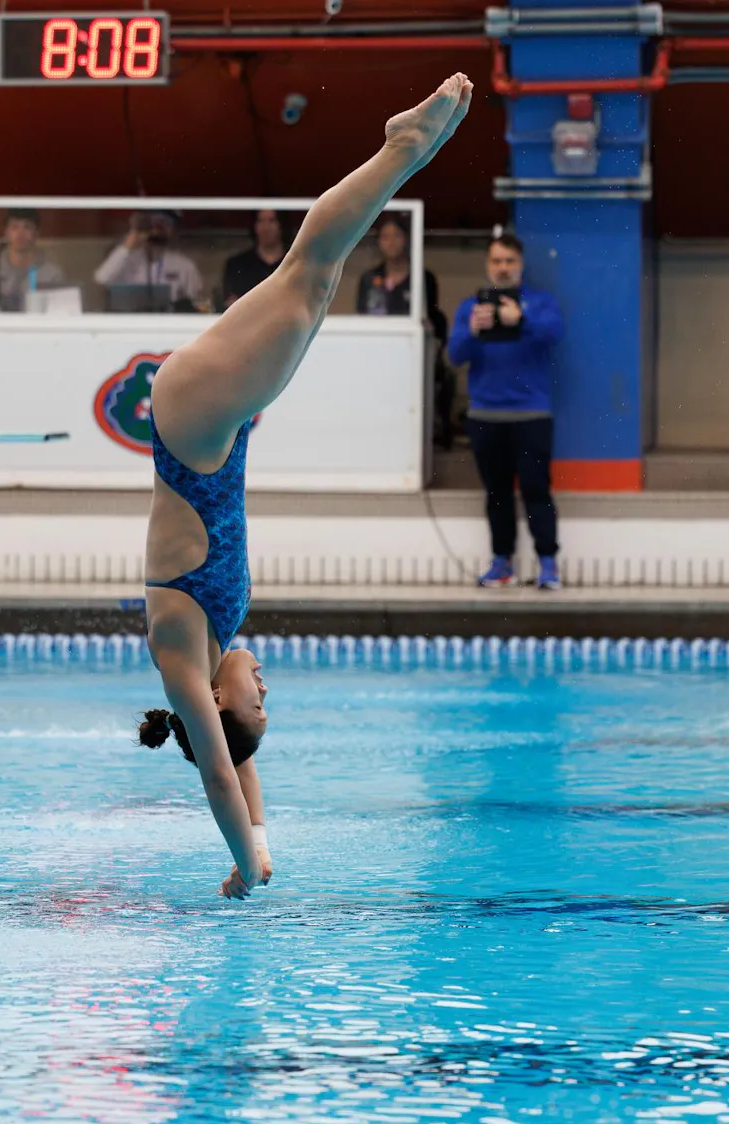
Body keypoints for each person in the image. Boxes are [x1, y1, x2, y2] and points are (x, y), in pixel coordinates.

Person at [138, 73, 473, 900]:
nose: (266, 689)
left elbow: (219, 770)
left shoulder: (181, 651)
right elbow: (241, 763)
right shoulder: (213, 651)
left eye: (258, 703)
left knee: (308, 272)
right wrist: (256, 837)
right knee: (314, 284)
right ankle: (401, 155)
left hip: (192, 424)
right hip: (220, 429)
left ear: (218, 701)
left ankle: (402, 146)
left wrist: (247, 865)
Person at [446, 233, 565, 591]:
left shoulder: (540, 303)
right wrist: (473, 332)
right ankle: (502, 563)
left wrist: (521, 321)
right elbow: (454, 356)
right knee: (496, 493)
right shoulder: (471, 308)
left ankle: (548, 564)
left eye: (509, 261)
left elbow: (555, 332)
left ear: (521, 264)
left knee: (535, 489)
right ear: (488, 264)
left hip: (530, 415)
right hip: (486, 416)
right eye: (497, 261)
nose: (503, 268)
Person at [354, 213, 454, 447]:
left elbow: (430, 319)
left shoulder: (423, 278)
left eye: (396, 235)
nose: (390, 242)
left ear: (407, 239)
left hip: (411, 355)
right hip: (377, 354)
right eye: (385, 236)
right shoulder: (369, 278)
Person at [94, 210, 203, 311]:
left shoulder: (184, 265)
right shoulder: (126, 260)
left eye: (166, 223)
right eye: (153, 222)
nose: (158, 228)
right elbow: (101, 279)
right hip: (130, 323)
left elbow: (195, 302)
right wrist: (129, 243)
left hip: (168, 325)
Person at [0, 208, 68, 312]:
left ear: (36, 233)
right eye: (14, 227)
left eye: (27, 227)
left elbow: (61, 319)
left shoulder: (53, 276)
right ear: (6, 233)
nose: (20, 233)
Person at [220, 210, 287, 310]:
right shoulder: (236, 265)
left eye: (272, 221)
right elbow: (230, 304)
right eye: (260, 221)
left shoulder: (295, 264)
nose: (266, 228)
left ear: (281, 225)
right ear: (254, 226)